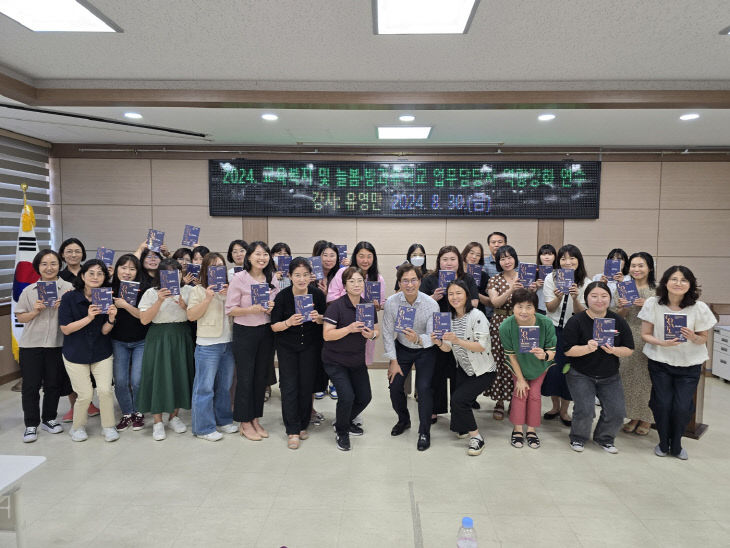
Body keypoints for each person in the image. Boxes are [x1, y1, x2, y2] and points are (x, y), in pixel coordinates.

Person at [639, 266, 716, 460]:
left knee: (682, 406)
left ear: (690, 285)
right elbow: (645, 335)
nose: (678, 283)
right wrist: (662, 343)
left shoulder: (699, 307)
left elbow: (703, 339)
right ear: (665, 282)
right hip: (660, 362)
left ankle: (677, 443)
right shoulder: (653, 303)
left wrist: (693, 337)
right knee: (662, 403)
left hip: (690, 364)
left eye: (683, 280)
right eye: (674, 279)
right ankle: (663, 442)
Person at [563, 282, 634, 453]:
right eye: (594, 296)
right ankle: (578, 437)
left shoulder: (617, 320)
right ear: (586, 298)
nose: (599, 300)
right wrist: (587, 348)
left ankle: (604, 438)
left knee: (617, 412)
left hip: (609, 375)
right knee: (585, 410)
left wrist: (614, 350)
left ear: (610, 299)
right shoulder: (576, 320)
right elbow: (567, 351)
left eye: (604, 296)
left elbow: (629, 349)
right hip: (580, 373)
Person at [15, 250, 74, 442]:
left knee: (53, 384)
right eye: (44, 264)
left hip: (57, 344)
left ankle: (49, 419)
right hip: (31, 345)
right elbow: (20, 316)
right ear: (38, 267)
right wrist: (35, 311)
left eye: (53, 263)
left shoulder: (69, 288)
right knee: (30, 386)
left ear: (59, 265)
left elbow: (77, 314)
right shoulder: (29, 290)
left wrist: (64, 306)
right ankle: (31, 424)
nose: (49, 268)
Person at [432, 280, 495, 456]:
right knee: (459, 402)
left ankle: (476, 437)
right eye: (451, 294)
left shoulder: (477, 316)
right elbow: (447, 347)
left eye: (458, 293)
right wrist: (438, 343)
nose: (454, 297)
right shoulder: (449, 319)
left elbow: (482, 346)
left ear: (467, 295)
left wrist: (457, 340)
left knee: (459, 400)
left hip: (483, 370)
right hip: (464, 368)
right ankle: (463, 428)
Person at [58, 259, 119, 442]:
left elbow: (104, 331)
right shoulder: (70, 297)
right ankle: (77, 427)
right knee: (84, 394)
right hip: (75, 353)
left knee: (105, 391)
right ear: (82, 275)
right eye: (91, 273)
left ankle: (108, 426)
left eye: (100, 273)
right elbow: (66, 329)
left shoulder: (106, 297)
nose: (95, 277)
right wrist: (89, 317)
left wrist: (111, 318)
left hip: (101, 352)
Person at [270, 258, 327, 449]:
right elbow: (274, 326)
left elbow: (326, 321)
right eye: (297, 275)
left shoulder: (317, 295)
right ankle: (292, 430)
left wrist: (318, 318)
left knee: (306, 386)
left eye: (305, 275)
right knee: (289, 387)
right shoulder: (282, 297)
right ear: (289, 276)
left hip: (310, 347)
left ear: (311, 276)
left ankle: (302, 425)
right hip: (287, 347)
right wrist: (288, 322)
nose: (302, 279)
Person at [136, 259, 195, 441]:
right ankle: (157, 421)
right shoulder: (151, 293)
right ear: (161, 275)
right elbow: (144, 320)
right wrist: (160, 301)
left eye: (176, 272)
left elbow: (194, 316)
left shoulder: (188, 291)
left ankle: (174, 416)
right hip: (158, 337)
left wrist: (184, 305)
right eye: (168, 273)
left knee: (179, 375)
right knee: (157, 376)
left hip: (181, 335)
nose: (173, 276)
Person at [383, 263, 439, 451]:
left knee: (423, 389)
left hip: (425, 349)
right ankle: (403, 419)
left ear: (420, 281)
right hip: (402, 348)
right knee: (395, 385)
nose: (409, 284)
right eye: (405, 281)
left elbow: (433, 336)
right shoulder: (392, 302)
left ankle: (424, 431)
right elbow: (387, 332)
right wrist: (393, 360)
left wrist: (418, 339)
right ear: (399, 283)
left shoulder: (431, 304)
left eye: (413, 280)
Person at [419, 245, 479, 423]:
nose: (448, 263)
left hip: (460, 330)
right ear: (439, 261)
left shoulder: (467, 278)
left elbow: (475, 302)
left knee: (458, 372)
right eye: (444, 259)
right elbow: (419, 305)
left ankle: (458, 410)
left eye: (453, 259)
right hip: (436, 332)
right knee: (435, 372)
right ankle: (435, 409)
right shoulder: (430, 279)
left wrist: (458, 299)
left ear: (459, 261)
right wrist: (433, 298)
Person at [225, 241, 278, 441]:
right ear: (249, 257)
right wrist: (251, 309)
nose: (262, 258)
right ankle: (244, 421)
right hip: (245, 332)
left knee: (260, 379)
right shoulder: (239, 278)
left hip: (265, 332)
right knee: (245, 378)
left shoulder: (270, 278)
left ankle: (255, 418)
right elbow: (230, 309)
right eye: (258, 254)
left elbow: (274, 305)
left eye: (265, 254)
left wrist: (272, 306)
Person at [322, 267, 378, 451]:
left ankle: (342, 420)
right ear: (344, 285)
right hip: (335, 360)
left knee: (365, 397)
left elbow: (375, 331)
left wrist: (371, 334)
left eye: (360, 280)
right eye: (352, 281)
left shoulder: (367, 306)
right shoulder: (335, 306)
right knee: (347, 396)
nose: (356, 284)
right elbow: (327, 335)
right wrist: (349, 328)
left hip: (356, 360)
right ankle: (342, 431)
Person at [186, 252, 239, 441]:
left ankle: (223, 420)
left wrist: (230, 297)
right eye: (213, 266)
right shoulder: (198, 290)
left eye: (220, 266)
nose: (217, 270)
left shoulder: (230, 289)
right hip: (207, 344)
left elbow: (235, 314)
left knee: (224, 386)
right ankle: (203, 428)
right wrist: (208, 298)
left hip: (228, 342)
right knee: (204, 387)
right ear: (205, 270)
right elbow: (191, 316)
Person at [541, 244, 592, 426]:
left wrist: (576, 297)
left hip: (574, 332)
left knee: (569, 371)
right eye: (563, 258)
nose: (567, 262)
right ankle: (554, 407)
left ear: (579, 260)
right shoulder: (551, 278)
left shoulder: (586, 282)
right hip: (553, 329)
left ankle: (564, 410)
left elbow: (583, 313)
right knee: (553, 370)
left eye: (572, 258)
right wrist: (560, 295)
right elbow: (549, 308)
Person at [499, 289, 557, 449]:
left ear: (535, 308)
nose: (524, 311)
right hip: (518, 365)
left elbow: (552, 351)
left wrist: (544, 355)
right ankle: (517, 430)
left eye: (529, 307)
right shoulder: (506, 326)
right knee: (520, 392)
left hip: (539, 366)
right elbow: (511, 356)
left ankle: (531, 430)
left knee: (534, 395)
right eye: (519, 306)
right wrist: (521, 380)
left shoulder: (546, 323)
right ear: (513, 307)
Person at [616, 252, 656, 435]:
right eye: (633, 265)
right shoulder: (623, 287)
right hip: (628, 334)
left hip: (649, 336)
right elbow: (617, 317)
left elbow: (665, 316)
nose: (636, 269)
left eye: (641, 265)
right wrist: (623, 307)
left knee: (646, 379)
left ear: (649, 268)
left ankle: (647, 418)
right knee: (629, 377)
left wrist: (648, 305)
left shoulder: (657, 291)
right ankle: (633, 416)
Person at [485, 244, 524, 419]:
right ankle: (499, 401)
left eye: (509, 257)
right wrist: (510, 289)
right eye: (502, 258)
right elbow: (495, 303)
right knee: (500, 361)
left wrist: (529, 289)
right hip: (499, 323)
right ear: (498, 262)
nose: (506, 261)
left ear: (515, 258)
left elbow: (531, 301)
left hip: (521, 323)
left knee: (519, 362)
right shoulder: (494, 280)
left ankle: (517, 401)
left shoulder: (525, 277)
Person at [110, 254, 148, 432]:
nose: (127, 272)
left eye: (132, 269)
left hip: (141, 340)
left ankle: (139, 412)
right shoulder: (108, 289)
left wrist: (124, 305)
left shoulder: (144, 289)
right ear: (116, 269)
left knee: (138, 380)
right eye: (123, 268)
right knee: (120, 380)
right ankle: (127, 413)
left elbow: (143, 316)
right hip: (118, 341)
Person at [482, 231, 507, 318]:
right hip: (488, 312)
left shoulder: (514, 264)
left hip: (510, 311)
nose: (496, 245)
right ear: (489, 245)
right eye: (493, 242)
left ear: (506, 244)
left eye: (500, 242)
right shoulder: (482, 263)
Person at [461, 241, 490, 314]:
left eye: (478, 255)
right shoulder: (456, 273)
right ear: (465, 253)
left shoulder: (484, 276)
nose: (474, 257)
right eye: (471, 253)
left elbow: (490, 302)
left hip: (478, 314)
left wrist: (475, 293)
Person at [535, 244, 558, 315]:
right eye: (543, 254)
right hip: (538, 307)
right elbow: (526, 293)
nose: (547, 257)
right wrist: (536, 286)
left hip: (555, 307)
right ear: (539, 257)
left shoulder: (560, 273)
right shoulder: (533, 271)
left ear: (555, 257)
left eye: (550, 254)